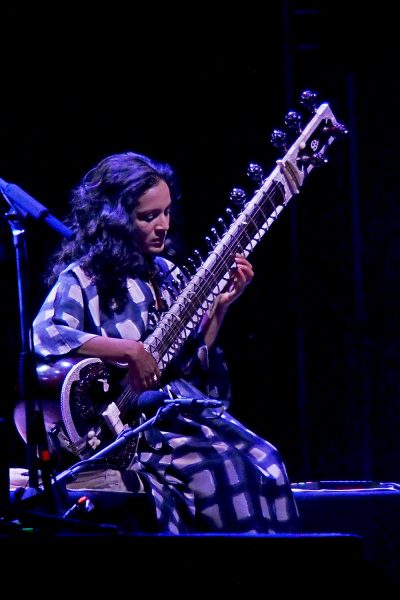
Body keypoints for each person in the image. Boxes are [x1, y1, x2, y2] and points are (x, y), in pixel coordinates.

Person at [29, 151, 299, 534]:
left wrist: (220, 309)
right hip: (124, 433)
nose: (163, 226)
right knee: (222, 470)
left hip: (169, 415)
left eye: (167, 213)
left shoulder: (166, 275)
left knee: (265, 460)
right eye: (148, 216)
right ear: (116, 221)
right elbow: (46, 335)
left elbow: (184, 365)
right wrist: (129, 351)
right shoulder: (84, 279)